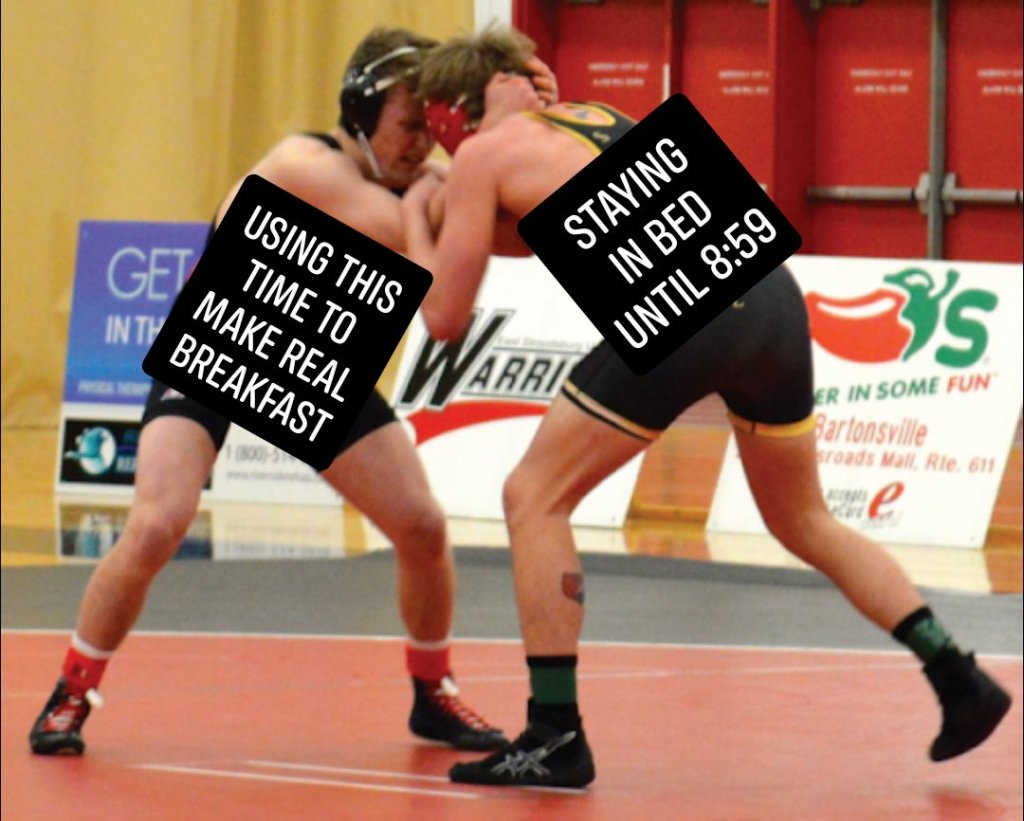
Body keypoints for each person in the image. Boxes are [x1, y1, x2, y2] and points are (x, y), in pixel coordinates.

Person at [400, 27, 1013, 788]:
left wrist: (417, 222)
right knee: (803, 518)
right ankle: (958, 675)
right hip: (770, 296)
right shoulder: (594, 117)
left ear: (451, 113)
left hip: (685, 308)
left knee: (533, 496)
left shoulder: (484, 155)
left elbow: (443, 318)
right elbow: (535, 232)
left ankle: (555, 732)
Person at [29, 27, 537, 758]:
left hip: (311, 361)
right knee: (156, 523)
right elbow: (414, 233)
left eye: (433, 128)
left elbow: (501, 230)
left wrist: (523, 139)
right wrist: (464, 180)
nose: (423, 144)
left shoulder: (417, 182)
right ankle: (72, 691)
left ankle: (433, 692)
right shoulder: (304, 164)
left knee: (423, 526)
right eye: (409, 125)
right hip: (221, 345)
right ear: (361, 112)